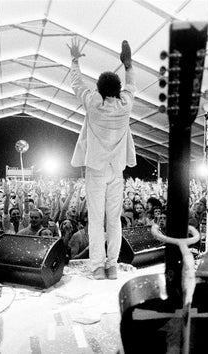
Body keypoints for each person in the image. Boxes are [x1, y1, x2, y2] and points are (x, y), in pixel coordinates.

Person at [67, 37, 136, 280]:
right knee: (114, 220)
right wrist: (128, 66)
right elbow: (131, 85)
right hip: (116, 170)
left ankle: (97, 267)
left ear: (98, 88)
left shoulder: (94, 104)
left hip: (96, 171)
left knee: (96, 220)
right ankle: (112, 266)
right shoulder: (125, 105)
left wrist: (75, 60)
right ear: (118, 89)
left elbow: (76, 83)